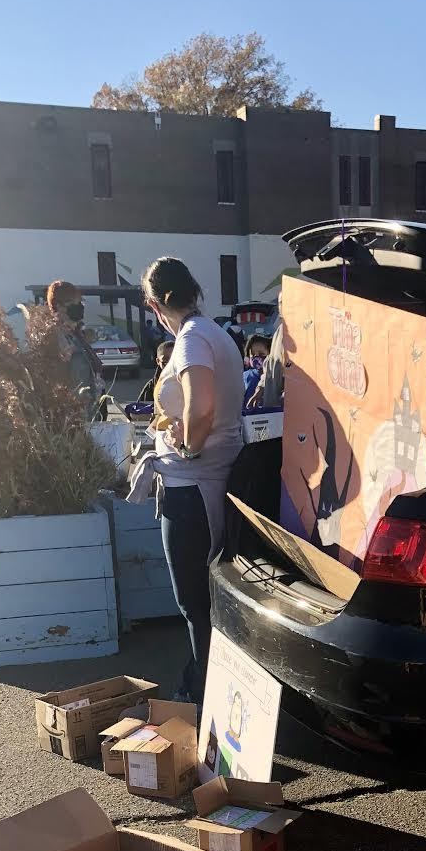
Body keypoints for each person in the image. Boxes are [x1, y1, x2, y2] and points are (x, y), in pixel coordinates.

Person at [141, 256, 244, 701]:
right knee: (206, 601)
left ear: (153, 303)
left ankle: (205, 698)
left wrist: (187, 446)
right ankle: (201, 683)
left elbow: (200, 408)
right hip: (210, 481)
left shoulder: (190, 340)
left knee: (195, 603)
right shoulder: (214, 332)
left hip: (193, 487)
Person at [47, 280, 103, 413]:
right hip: (72, 413)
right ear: (59, 306)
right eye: (74, 303)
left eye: (81, 302)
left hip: (90, 408)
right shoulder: (55, 335)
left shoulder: (77, 333)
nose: (80, 306)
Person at [136, 339, 174, 406]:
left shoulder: (189, 381)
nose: (170, 365)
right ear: (158, 361)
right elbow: (141, 409)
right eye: (166, 361)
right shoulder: (152, 385)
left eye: (174, 360)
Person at [242, 334, 271, 407]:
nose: (256, 357)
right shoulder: (245, 376)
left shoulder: (277, 376)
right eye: (253, 354)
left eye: (261, 354)